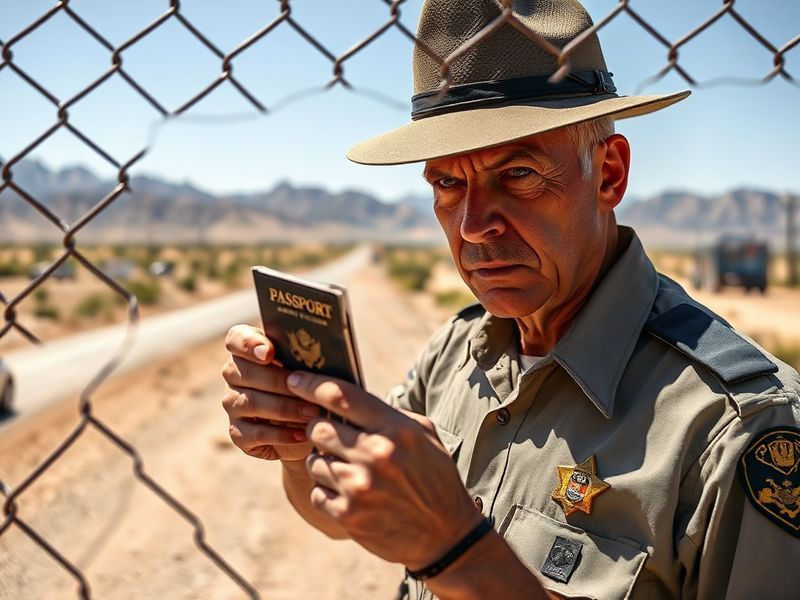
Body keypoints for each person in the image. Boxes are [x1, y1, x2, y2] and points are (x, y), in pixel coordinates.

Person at [221, 1, 800, 598]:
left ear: (609, 175)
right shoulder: (457, 354)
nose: (473, 225)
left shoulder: (735, 427)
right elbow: (337, 515)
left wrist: (454, 552)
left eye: (518, 174)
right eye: (448, 183)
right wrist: (297, 445)